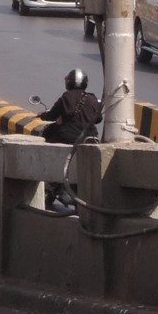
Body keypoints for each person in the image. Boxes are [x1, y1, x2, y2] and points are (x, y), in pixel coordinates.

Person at [39, 69, 102, 215]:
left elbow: (52, 115)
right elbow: (98, 119)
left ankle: (53, 179)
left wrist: (42, 115)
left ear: (68, 82)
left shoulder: (66, 97)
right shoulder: (93, 99)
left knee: (48, 135)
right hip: (89, 139)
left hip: (67, 139)